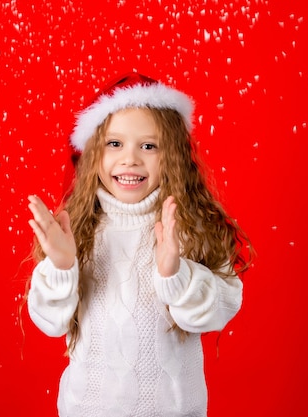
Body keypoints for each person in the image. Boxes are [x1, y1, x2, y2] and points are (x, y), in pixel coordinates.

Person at [26, 72, 253, 417]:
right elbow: (50, 322)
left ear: (172, 155)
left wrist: (175, 274)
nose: (130, 158)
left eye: (148, 146)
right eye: (114, 144)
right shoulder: (79, 230)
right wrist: (61, 267)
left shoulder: (187, 226)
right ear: (92, 153)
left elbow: (222, 308)